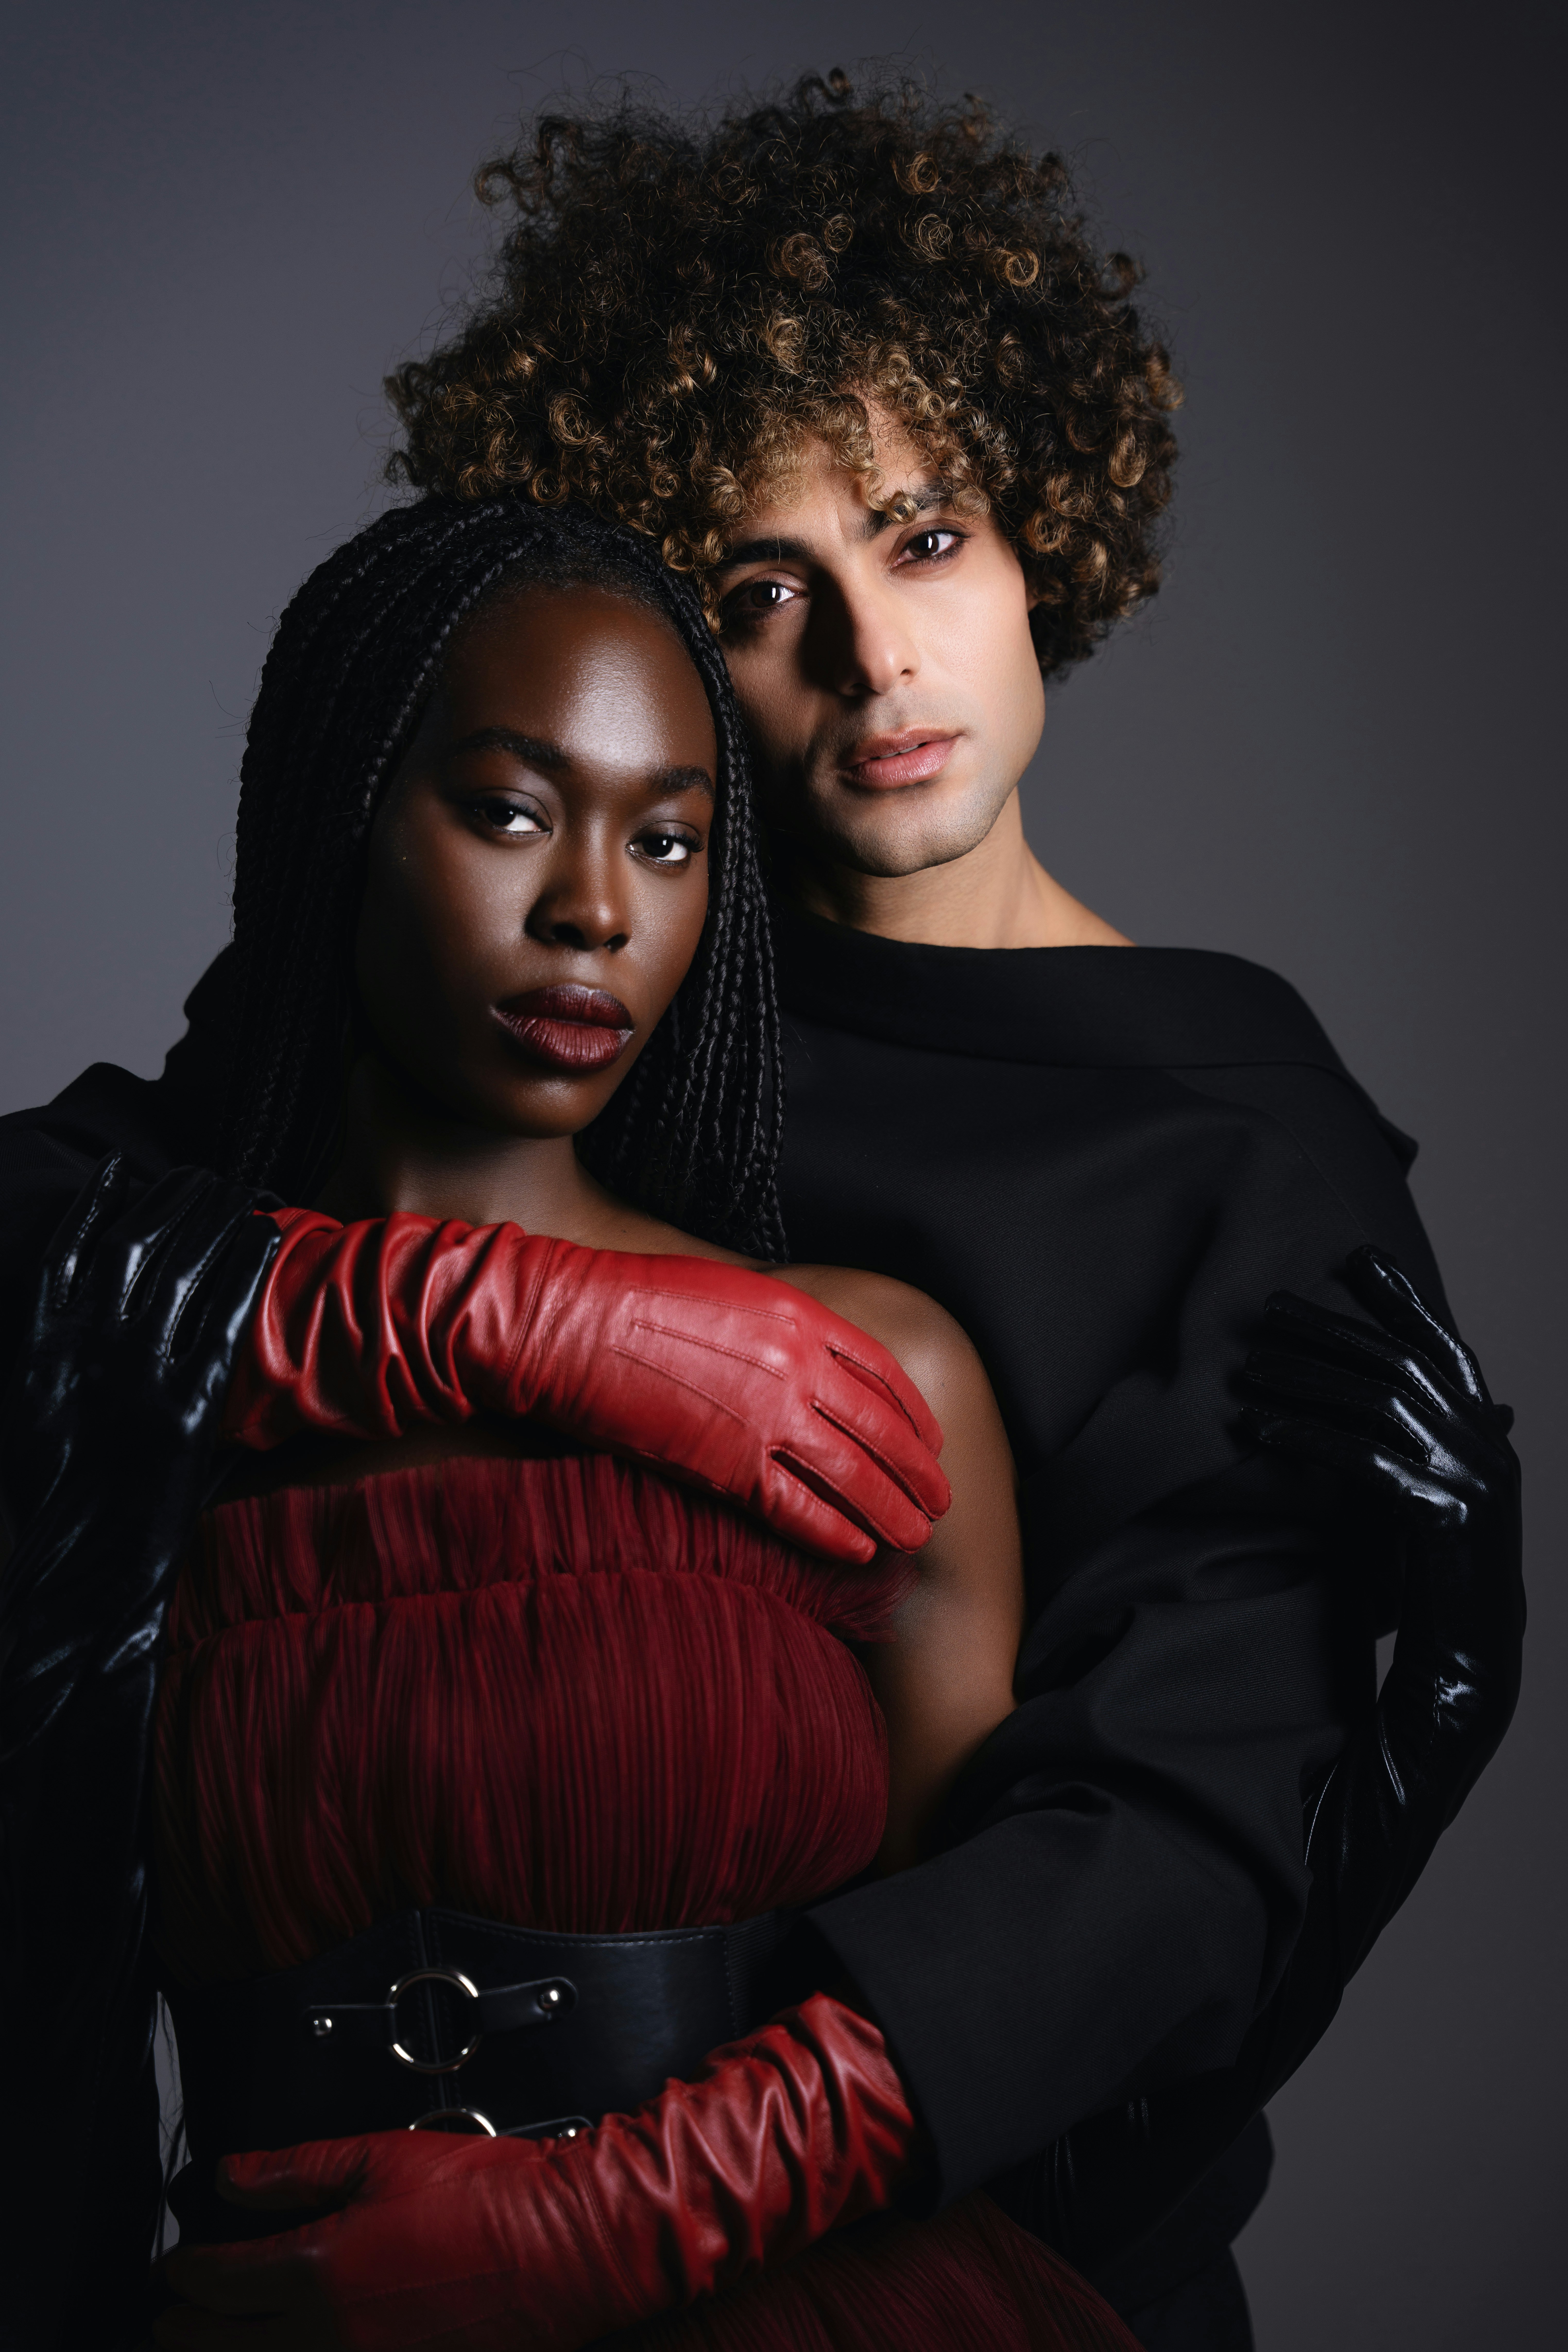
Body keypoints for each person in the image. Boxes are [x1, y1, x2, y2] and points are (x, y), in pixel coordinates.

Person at [0, 74, 1523, 2352]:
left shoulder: (1240, 1137)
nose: (875, 661)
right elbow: (68, 1223)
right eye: (756, 593)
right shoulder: (554, 982)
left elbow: (1155, 1866)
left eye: (921, 540)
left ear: (1044, 537)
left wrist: (625, 2218)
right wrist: (501, 1311)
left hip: (925, 2228)